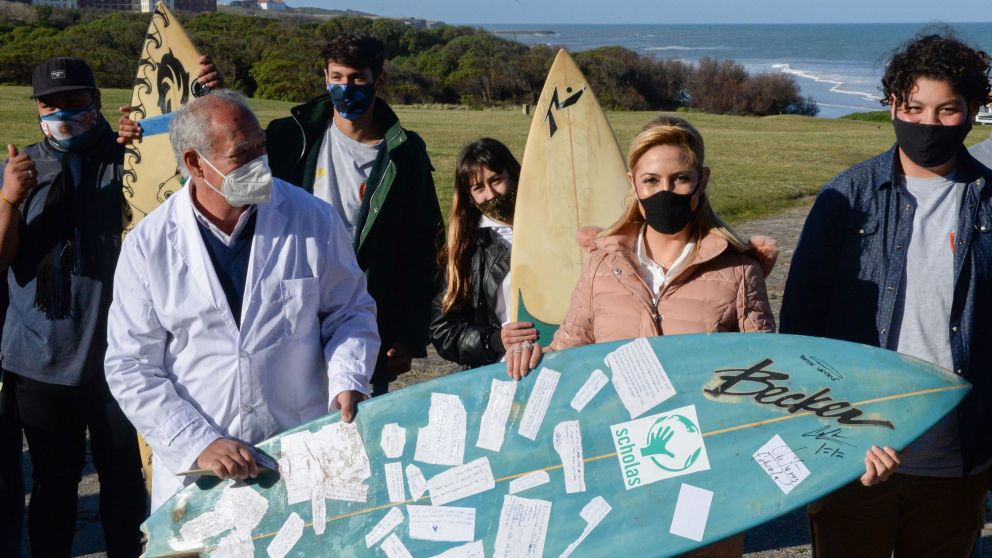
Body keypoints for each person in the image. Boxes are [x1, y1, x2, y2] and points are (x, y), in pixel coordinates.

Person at [508, 115, 778, 557]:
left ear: (701, 180)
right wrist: (528, 360)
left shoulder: (737, 269)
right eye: (651, 180)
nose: (664, 191)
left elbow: (764, 378)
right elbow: (567, 351)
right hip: (614, 465)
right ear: (633, 184)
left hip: (706, 471)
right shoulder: (602, 263)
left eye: (680, 178)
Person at [104, 90, 380, 510]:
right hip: (201, 472)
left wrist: (348, 378)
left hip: (298, 448)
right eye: (242, 154)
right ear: (196, 163)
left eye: (261, 148)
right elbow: (130, 365)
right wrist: (198, 442)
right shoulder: (149, 245)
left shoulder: (312, 218)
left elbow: (349, 311)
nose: (259, 165)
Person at [779, 32, 992, 558]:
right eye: (914, 106)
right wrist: (819, 435)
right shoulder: (844, 198)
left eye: (948, 110)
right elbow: (801, 325)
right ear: (892, 105)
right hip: (855, 451)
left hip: (958, 457)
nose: (928, 123)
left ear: (975, 111)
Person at [0, 57, 155, 557]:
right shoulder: (18, 169)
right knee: (52, 488)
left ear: (97, 100)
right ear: (37, 109)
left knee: (126, 487)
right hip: (39, 362)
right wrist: (8, 201)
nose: (63, 112)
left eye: (75, 100)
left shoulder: (130, 157)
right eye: (51, 103)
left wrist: (150, 134)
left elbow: (187, 160)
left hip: (121, 362)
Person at [265, 32, 443, 395]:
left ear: (379, 79)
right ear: (325, 77)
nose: (346, 88)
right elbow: (220, 160)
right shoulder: (289, 137)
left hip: (365, 315)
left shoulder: (404, 154)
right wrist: (141, 131)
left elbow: (423, 248)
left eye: (358, 78)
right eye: (337, 77)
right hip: (290, 309)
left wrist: (407, 335)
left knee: (353, 422)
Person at [429, 138, 538, 368]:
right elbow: (444, 330)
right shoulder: (466, 250)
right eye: (479, 188)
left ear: (513, 175)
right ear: (470, 196)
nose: (490, 194)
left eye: (496, 180)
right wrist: (495, 340)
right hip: (499, 369)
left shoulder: (550, 226)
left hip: (558, 354)